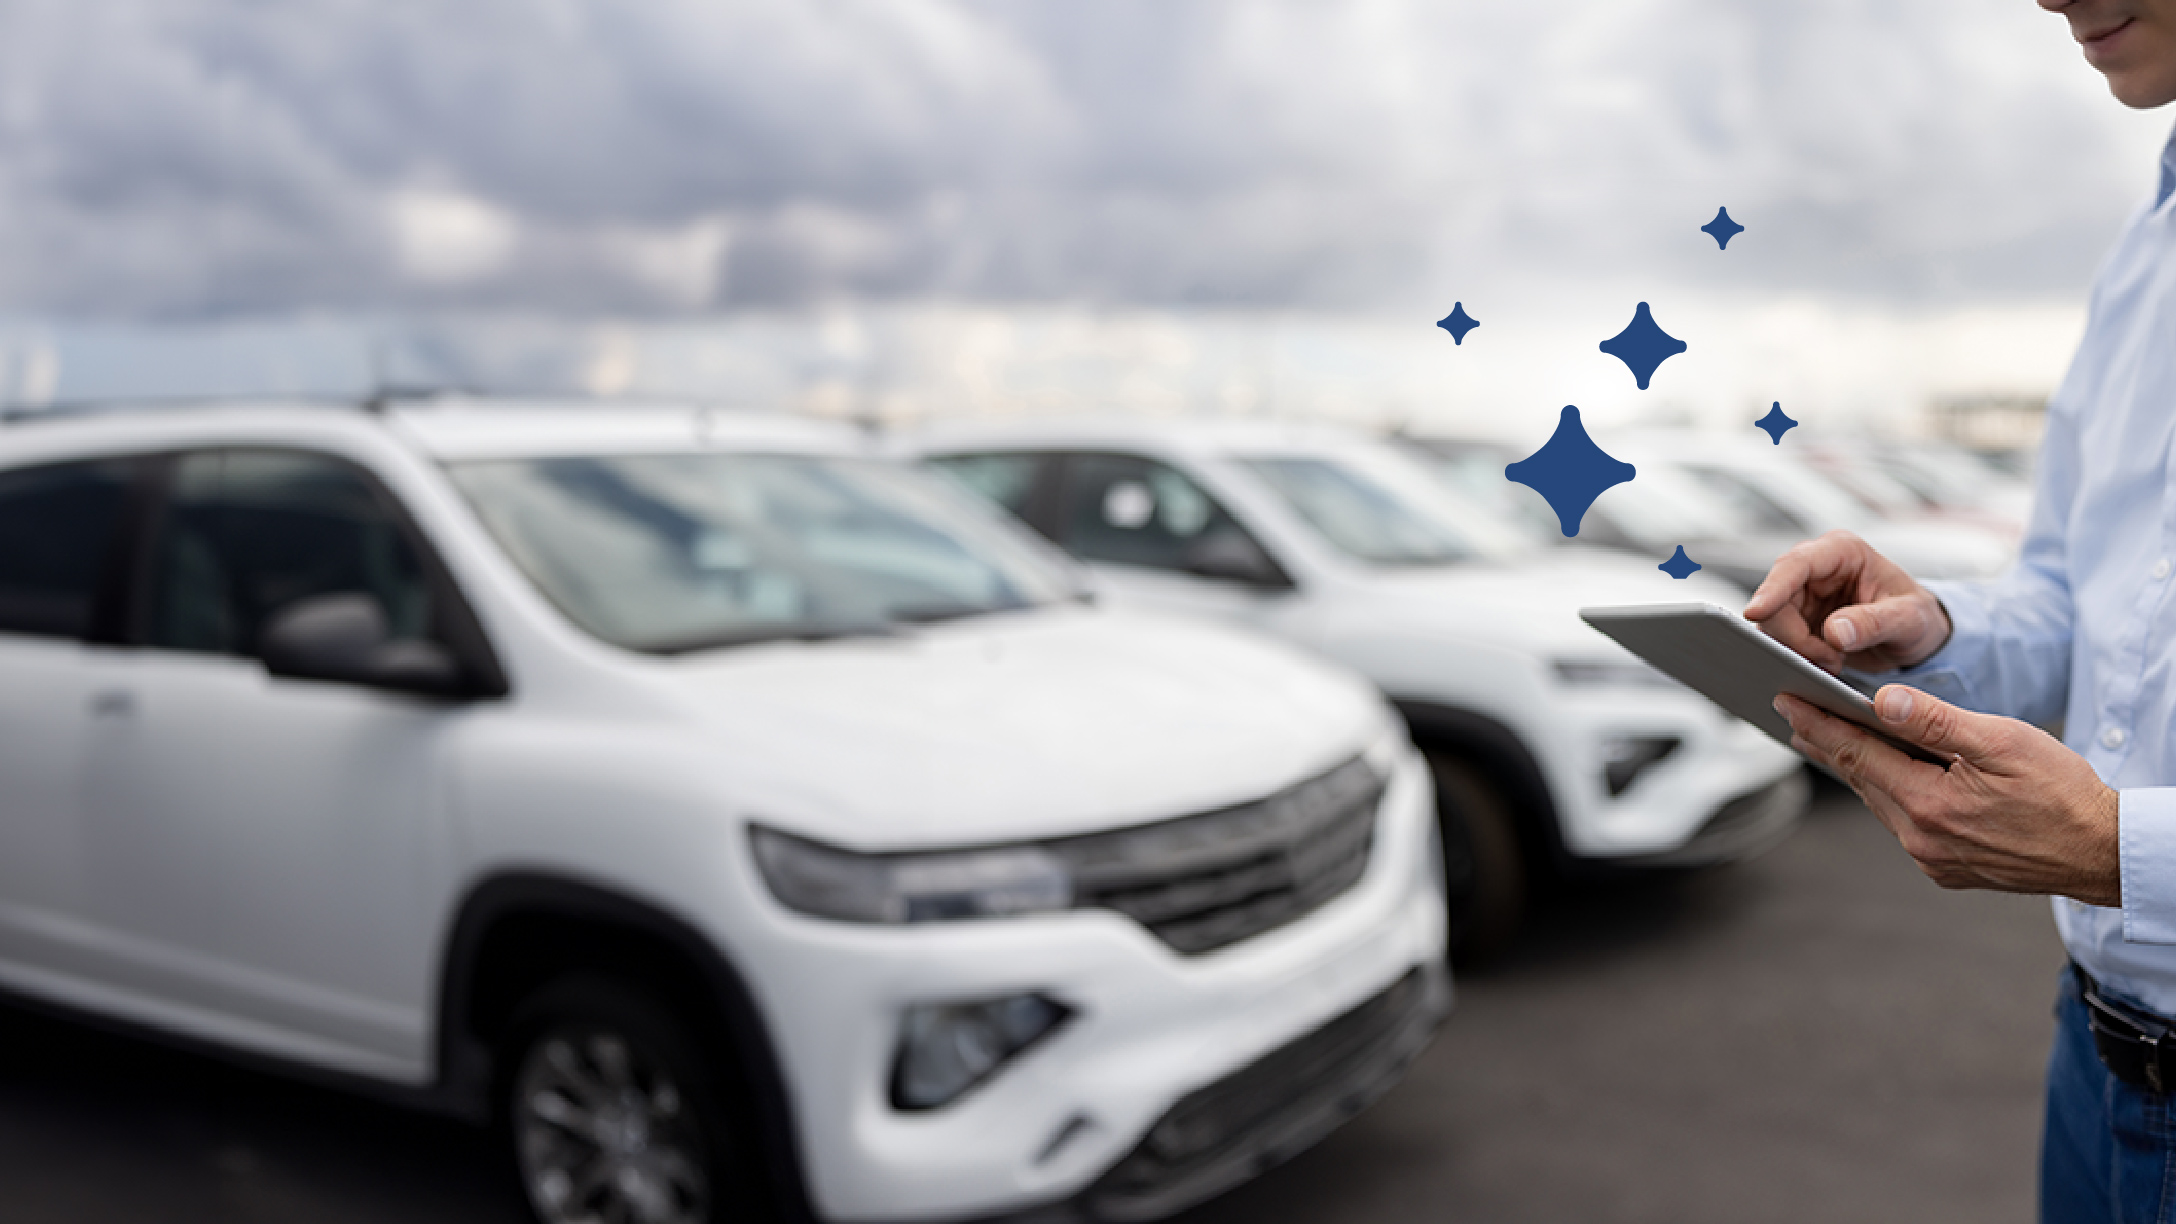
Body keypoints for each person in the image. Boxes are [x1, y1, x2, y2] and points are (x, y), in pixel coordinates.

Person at [1744, 3, 2176, 1218]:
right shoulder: (2144, 257)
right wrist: (1931, 628)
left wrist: (2113, 849)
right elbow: (2079, 600)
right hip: (2091, 1063)